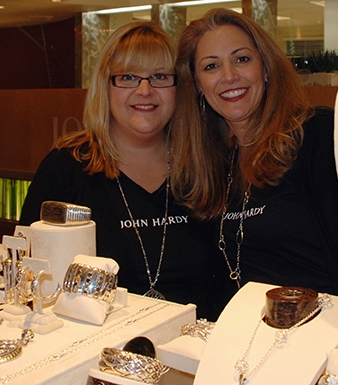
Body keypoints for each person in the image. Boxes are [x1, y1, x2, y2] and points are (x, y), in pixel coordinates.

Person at [20, 21, 229, 320]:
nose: (145, 90)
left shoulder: (205, 165)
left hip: (197, 353)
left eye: (159, 77)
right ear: (106, 86)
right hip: (96, 356)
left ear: (178, 88)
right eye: (129, 77)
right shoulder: (66, 168)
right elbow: (31, 281)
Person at [170, 8, 338, 295]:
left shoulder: (316, 134)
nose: (229, 76)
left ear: (266, 67)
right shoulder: (216, 163)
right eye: (211, 66)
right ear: (198, 85)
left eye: (242, 59)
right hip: (246, 333)